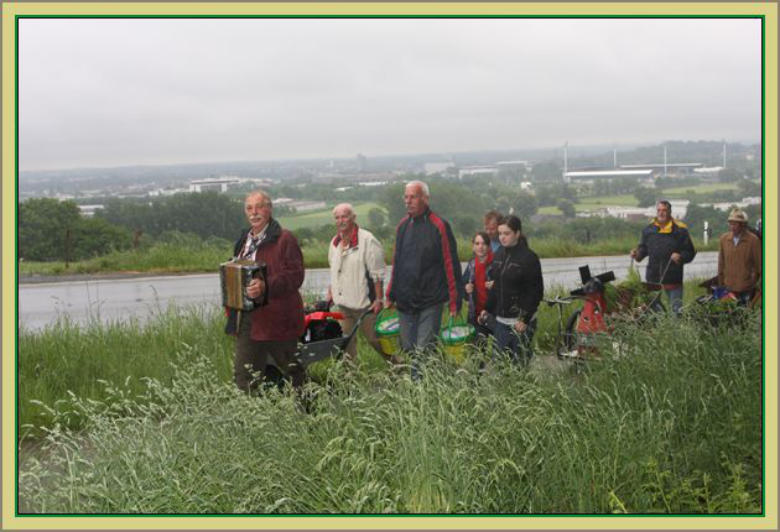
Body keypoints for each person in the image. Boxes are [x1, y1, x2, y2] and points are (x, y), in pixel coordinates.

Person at [225, 190, 306, 393]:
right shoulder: (244, 240)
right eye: (249, 208)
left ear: (269, 209)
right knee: (244, 376)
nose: (254, 213)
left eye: (259, 207)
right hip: (249, 319)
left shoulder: (284, 238)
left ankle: (310, 411)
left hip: (279, 319)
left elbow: (296, 276)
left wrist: (265, 285)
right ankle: (254, 413)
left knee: (294, 373)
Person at [385, 181, 463, 372]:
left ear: (425, 199)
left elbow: (451, 264)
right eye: (406, 197)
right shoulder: (402, 226)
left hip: (431, 300)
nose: (408, 201)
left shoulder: (439, 226)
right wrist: (390, 294)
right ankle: (436, 376)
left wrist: (455, 300)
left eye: (413, 197)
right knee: (408, 348)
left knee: (423, 351)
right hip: (405, 300)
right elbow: (397, 262)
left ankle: (419, 388)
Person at [327, 203, 400, 365]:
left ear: (353, 218)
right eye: (337, 218)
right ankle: (350, 376)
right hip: (343, 304)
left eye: (344, 216)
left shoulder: (368, 240)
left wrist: (379, 299)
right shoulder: (334, 243)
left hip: (365, 305)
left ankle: (399, 366)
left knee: (376, 340)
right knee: (345, 343)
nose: (341, 221)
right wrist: (331, 291)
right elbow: (335, 269)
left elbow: (377, 273)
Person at [478, 215, 543, 366]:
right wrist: (487, 308)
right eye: (500, 233)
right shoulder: (498, 254)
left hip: (521, 322)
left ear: (517, 233)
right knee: (500, 364)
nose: (502, 237)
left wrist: (524, 319)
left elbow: (536, 292)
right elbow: (496, 287)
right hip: (501, 320)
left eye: (506, 233)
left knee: (519, 366)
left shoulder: (529, 258)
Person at [630, 200, 696, 316]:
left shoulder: (680, 230)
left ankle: (676, 327)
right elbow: (643, 249)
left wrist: (680, 257)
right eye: (659, 210)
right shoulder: (648, 230)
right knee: (654, 311)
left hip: (673, 277)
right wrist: (637, 254)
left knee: (676, 312)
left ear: (670, 212)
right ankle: (662, 324)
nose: (661, 213)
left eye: (664, 210)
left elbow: (690, 252)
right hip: (653, 278)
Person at [717, 208, 761, 306]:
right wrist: (721, 285)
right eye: (730, 224)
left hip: (746, 289)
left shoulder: (753, 240)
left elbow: (760, 267)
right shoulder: (724, 239)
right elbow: (721, 264)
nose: (732, 227)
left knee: (743, 314)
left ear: (742, 225)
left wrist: (756, 287)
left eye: (735, 224)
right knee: (729, 314)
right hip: (728, 288)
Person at [462, 231, 494, 339]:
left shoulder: (496, 263)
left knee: (499, 347)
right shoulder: (471, 264)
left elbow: (507, 284)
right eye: (477, 243)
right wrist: (466, 288)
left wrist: (496, 284)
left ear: (489, 246)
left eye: (484, 243)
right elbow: (462, 285)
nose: (480, 247)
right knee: (476, 345)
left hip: (494, 314)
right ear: (473, 246)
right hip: (475, 313)